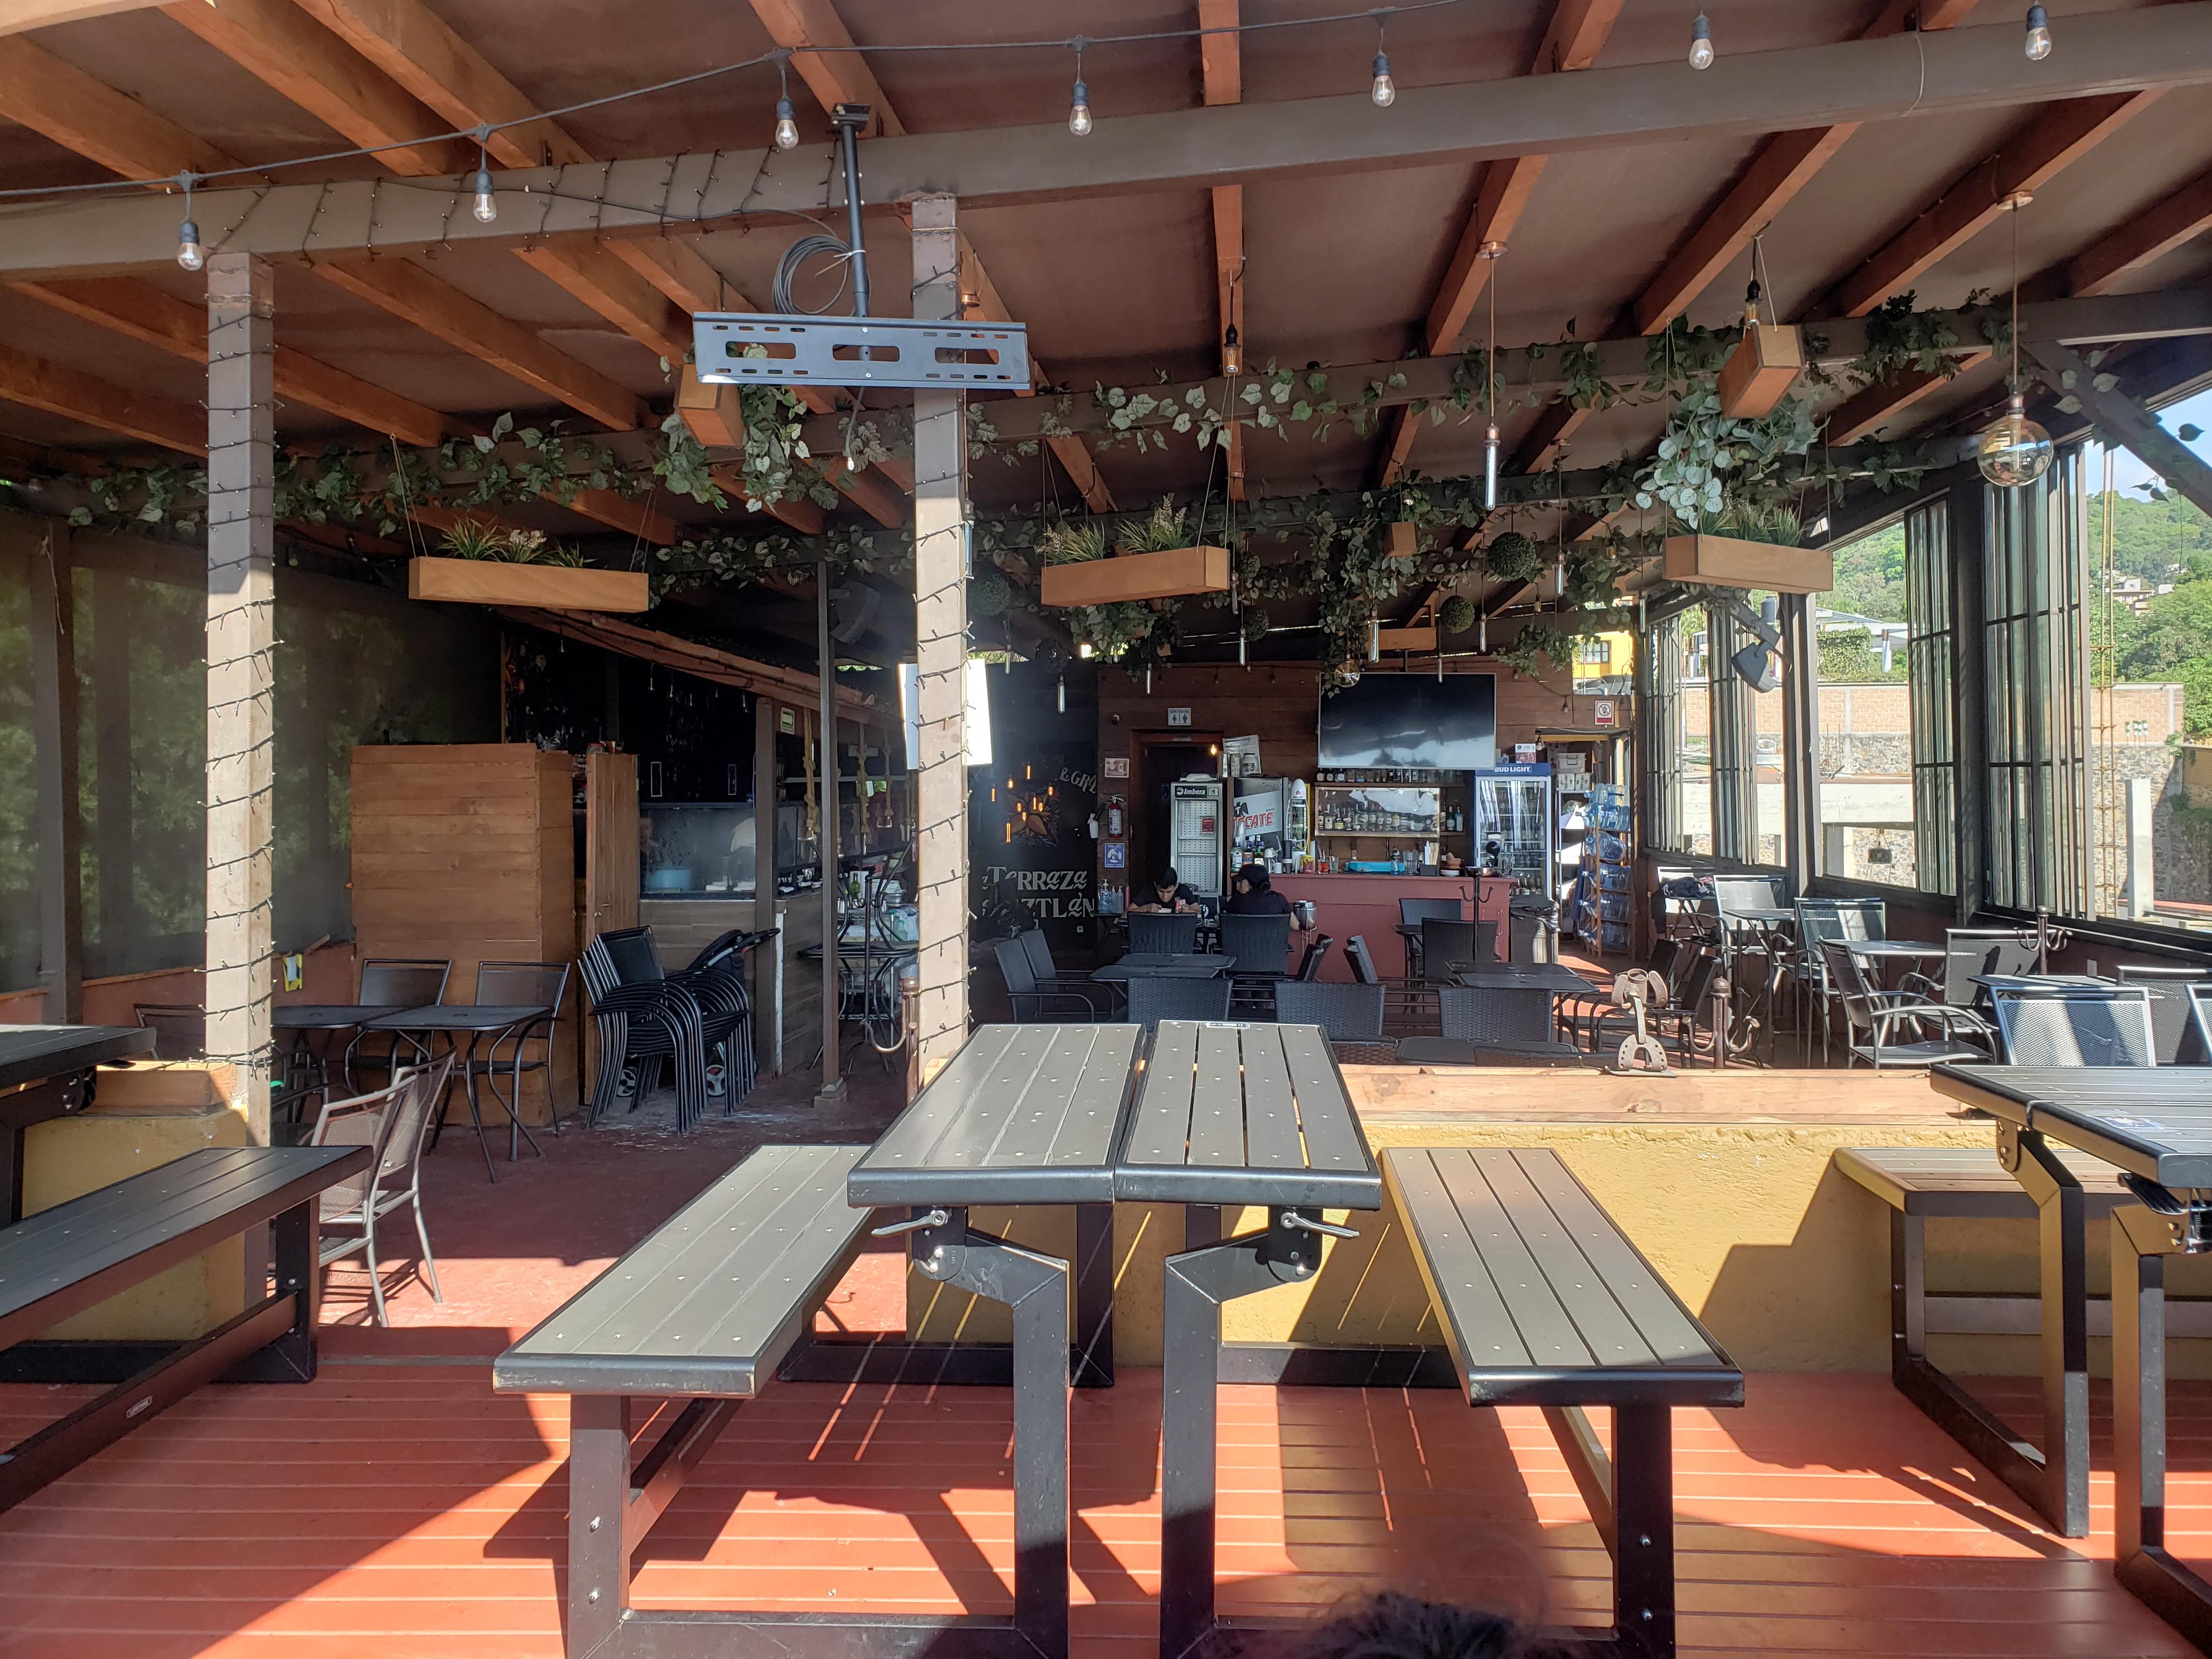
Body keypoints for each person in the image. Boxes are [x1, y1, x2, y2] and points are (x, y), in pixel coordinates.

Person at [1225, 862, 1308, 932]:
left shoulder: (1237, 901)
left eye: (1240, 881)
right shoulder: (1279, 900)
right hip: (1274, 950)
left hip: (1240, 950)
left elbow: (1222, 923)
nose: (1237, 885)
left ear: (1249, 884)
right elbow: (1296, 926)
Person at [1130, 865, 1203, 913]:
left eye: (1169, 892)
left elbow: (1199, 912)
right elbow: (1126, 915)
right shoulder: (1149, 892)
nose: (1165, 897)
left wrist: (1188, 911)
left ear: (1176, 886)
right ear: (1156, 885)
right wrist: (1145, 908)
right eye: (1161, 891)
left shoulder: (1183, 891)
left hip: (1178, 933)